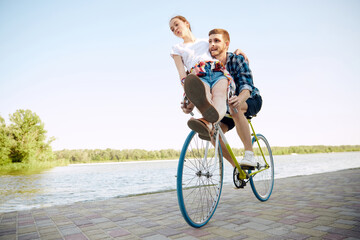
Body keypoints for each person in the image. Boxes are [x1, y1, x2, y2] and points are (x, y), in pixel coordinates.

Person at [182, 28, 262, 168]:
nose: (212, 44)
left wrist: (239, 99)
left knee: (234, 107)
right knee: (213, 133)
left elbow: (247, 87)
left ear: (226, 44)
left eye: (217, 41)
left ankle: (249, 155)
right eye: (210, 41)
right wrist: (189, 103)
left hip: (249, 99)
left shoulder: (237, 59)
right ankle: (237, 168)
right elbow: (202, 88)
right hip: (223, 108)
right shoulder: (207, 65)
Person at [169, 16, 236, 140]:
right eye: (172, 29)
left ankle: (208, 124)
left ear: (186, 23)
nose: (175, 29)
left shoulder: (206, 41)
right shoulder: (177, 48)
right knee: (204, 97)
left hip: (217, 70)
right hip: (199, 74)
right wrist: (187, 92)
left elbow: (223, 51)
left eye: (177, 25)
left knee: (220, 97)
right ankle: (208, 122)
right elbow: (181, 72)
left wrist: (238, 51)